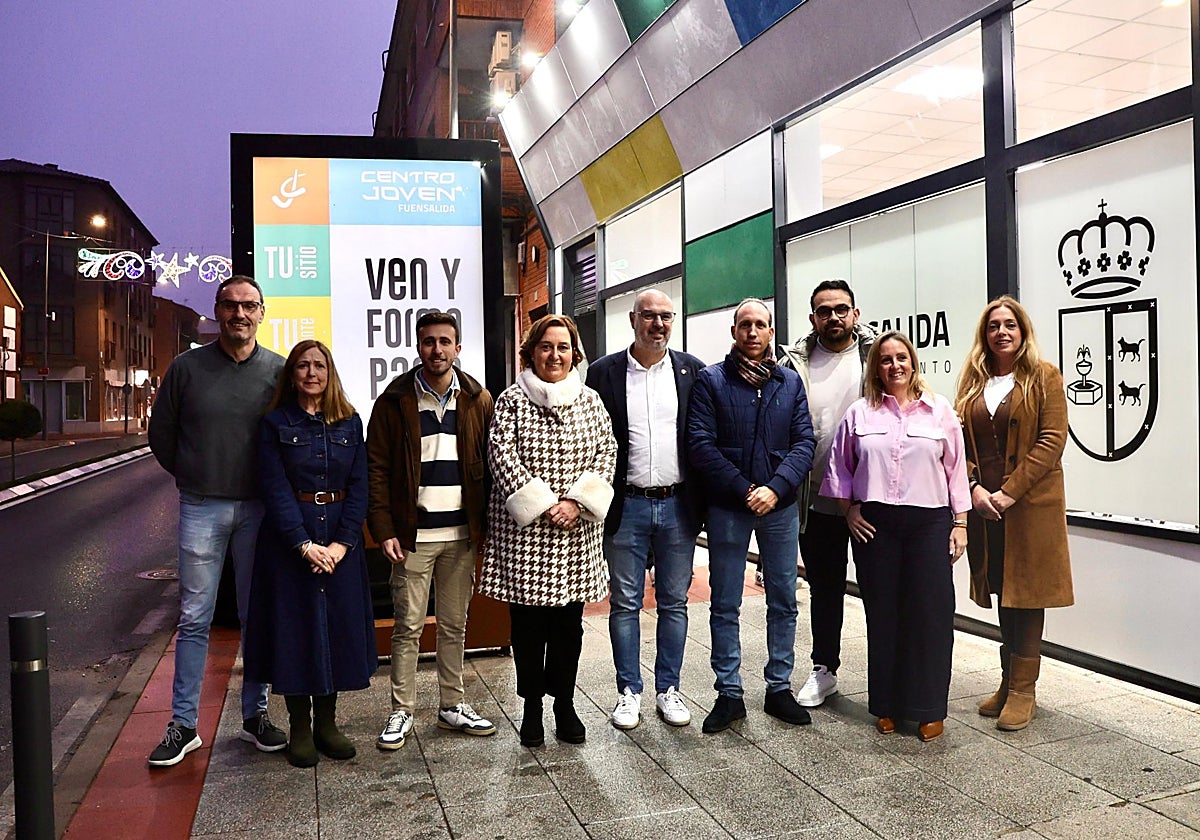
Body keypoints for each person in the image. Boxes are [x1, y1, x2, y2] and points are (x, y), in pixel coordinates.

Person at [147, 275, 287, 766]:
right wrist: (192, 472)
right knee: (194, 618)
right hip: (201, 506)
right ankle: (183, 725)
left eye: (249, 306)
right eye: (231, 305)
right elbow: (161, 434)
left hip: (259, 510)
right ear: (217, 311)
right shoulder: (186, 369)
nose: (240, 315)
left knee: (256, 616)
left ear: (262, 313)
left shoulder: (279, 371)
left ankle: (256, 716)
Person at [822, 330, 970, 742]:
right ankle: (886, 704)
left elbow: (956, 470)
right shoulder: (860, 414)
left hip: (929, 523)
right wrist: (849, 509)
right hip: (877, 526)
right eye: (885, 359)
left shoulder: (939, 411)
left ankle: (927, 708)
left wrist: (961, 524)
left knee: (931, 615)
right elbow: (840, 470)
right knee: (884, 614)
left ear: (913, 361)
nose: (894, 365)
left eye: (901, 357)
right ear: (876, 368)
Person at [479, 314, 617, 747]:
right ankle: (532, 707)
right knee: (527, 628)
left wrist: (576, 502)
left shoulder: (591, 400)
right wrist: (542, 505)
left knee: (567, 628)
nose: (554, 355)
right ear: (530, 352)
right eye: (545, 346)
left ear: (574, 353)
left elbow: (607, 452)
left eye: (563, 347)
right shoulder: (510, 400)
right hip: (526, 535)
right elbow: (500, 455)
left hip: (576, 532)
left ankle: (565, 704)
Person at [366, 312, 497, 751]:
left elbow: (491, 467)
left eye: (445, 341)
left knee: (455, 625)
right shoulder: (394, 401)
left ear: (458, 347)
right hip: (412, 537)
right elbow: (377, 470)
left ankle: (451, 705)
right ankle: (401, 710)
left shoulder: (478, 399)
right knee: (407, 626)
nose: (437, 349)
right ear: (418, 347)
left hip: (461, 535)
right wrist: (383, 528)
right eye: (428, 341)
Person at [243, 340, 376, 767]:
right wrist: (302, 543)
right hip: (289, 542)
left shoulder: (350, 422)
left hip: (339, 539)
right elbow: (275, 488)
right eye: (303, 366)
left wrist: (341, 543)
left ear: (329, 372)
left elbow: (360, 486)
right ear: (292, 374)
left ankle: (328, 725)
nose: (311, 373)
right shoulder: (274, 424)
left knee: (334, 628)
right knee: (295, 630)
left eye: (319, 365)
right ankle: (299, 725)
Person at [687, 298, 816, 733]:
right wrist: (745, 490)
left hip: (778, 508)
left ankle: (779, 687)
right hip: (729, 506)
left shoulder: (790, 382)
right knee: (725, 602)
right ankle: (729, 694)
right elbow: (700, 445)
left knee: (783, 599)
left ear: (771, 331)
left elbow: (804, 443)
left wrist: (776, 489)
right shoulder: (711, 381)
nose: (753, 332)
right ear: (734, 331)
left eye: (761, 324)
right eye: (746, 324)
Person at [586, 289, 705, 730]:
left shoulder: (692, 371)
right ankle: (629, 691)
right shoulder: (603, 373)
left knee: (674, 602)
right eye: (649, 316)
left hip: (678, 506)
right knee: (625, 603)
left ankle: (668, 689)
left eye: (666, 317)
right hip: (627, 506)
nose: (658, 324)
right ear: (632, 320)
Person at [955, 296, 1073, 732]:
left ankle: (1025, 690)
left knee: (1028, 593)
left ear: (1022, 331)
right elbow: (958, 445)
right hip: (987, 507)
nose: (1001, 332)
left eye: (1009, 325)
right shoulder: (973, 383)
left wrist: (1006, 494)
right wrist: (973, 489)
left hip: (1027, 508)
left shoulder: (1044, 377)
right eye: (992, 326)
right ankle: (1009, 682)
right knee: (1004, 587)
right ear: (984, 335)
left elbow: (1050, 442)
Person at [778, 279, 878, 708]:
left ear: (855, 313)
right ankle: (825, 669)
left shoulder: (876, 355)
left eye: (841, 309)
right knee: (825, 588)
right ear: (812, 318)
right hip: (815, 499)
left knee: (880, 588)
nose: (833, 317)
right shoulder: (794, 363)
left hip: (872, 499)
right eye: (824, 310)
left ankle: (887, 674)